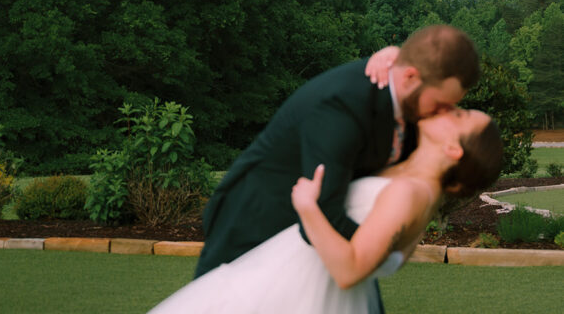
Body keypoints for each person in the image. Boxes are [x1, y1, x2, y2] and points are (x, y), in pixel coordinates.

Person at [147, 107, 503, 313]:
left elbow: (349, 269)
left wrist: (308, 208)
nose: (446, 108)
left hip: (296, 288)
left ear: (454, 150)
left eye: (458, 115)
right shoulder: (417, 186)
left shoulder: (409, 192)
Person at [195, 24, 480, 279]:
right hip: (252, 230)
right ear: (410, 77)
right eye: (442, 104)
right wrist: (381, 256)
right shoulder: (341, 108)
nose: (444, 114)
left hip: (313, 252)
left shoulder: (410, 103)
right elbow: (324, 213)